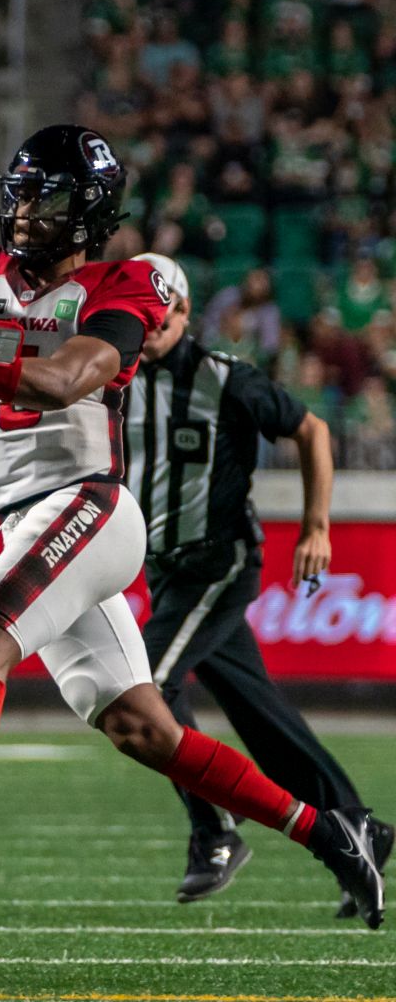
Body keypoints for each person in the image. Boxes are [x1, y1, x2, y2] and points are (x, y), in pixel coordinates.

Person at [0, 57, 385, 929]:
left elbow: (59, 381)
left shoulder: (121, 287)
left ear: (86, 214)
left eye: (43, 199)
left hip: (88, 504)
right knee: (145, 730)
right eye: (18, 194)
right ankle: (332, 837)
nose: (20, 213)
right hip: (33, 518)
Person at [125, 252, 394, 915]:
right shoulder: (117, 376)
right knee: (261, 718)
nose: (147, 329)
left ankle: (212, 825)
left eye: (158, 317)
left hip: (217, 564)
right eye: (136, 318)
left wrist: (317, 526)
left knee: (143, 687)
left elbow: (313, 429)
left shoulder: (225, 379)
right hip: (166, 569)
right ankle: (356, 823)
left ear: (185, 314)